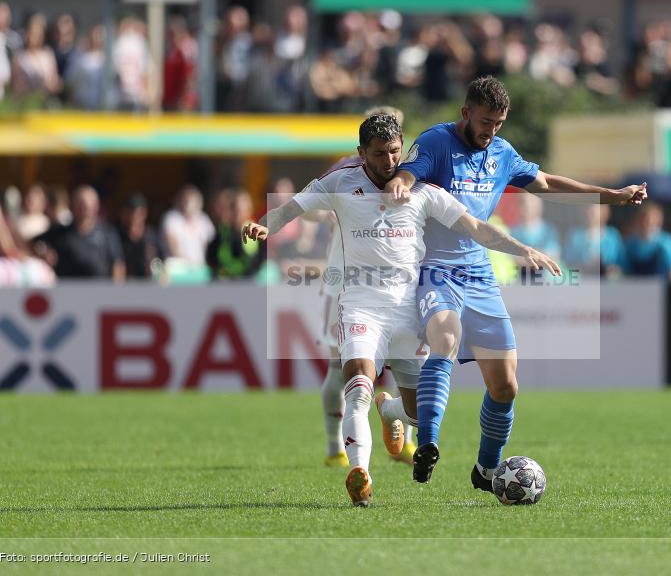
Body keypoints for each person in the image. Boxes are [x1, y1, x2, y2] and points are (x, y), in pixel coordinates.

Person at [242, 114, 559, 506]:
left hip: (410, 309)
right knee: (358, 382)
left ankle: (390, 409)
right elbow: (294, 206)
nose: (389, 161)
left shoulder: (422, 191)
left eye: (395, 151)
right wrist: (266, 225)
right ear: (361, 153)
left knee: (418, 414)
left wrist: (522, 249)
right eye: (379, 153)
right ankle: (360, 474)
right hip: (361, 304)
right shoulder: (341, 182)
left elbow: (476, 227)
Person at [381, 76, 647, 488]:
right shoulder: (435, 142)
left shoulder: (502, 153)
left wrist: (610, 195)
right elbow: (407, 175)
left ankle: (487, 470)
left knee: (505, 385)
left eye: (499, 123)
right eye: (485, 121)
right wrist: (399, 185)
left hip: (480, 273)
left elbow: (547, 184)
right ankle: (428, 445)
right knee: (445, 340)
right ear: (466, 113)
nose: (491, 131)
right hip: (435, 269)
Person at [312, 106, 417, 469]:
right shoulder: (345, 169)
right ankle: (334, 446)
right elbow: (313, 206)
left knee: (405, 361)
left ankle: (404, 439)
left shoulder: (409, 168)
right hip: (344, 278)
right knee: (339, 366)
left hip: (394, 282)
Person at [33, 185, 125, 281]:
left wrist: (115, 288)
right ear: (72, 205)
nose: (84, 209)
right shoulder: (60, 232)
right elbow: (33, 245)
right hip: (66, 287)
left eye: (88, 205)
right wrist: (43, 251)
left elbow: (118, 264)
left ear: (96, 206)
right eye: (80, 204)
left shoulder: (108, 233)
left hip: (99, 288)